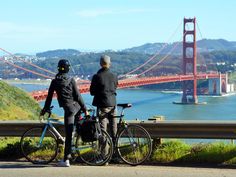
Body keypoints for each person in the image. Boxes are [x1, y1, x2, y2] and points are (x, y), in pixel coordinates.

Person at [40, 59, 88, 167]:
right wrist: (84, 109)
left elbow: (48, 98)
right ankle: (73, 150)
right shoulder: (71, 80)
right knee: (73, 130)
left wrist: (45, 109)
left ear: (58, 68)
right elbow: (78, 96)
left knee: (68, 134)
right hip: (77, 107)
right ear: (67, 69)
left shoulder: (54, 82)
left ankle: (66, 159)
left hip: (69, 110)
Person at [90, 55, 118, 146]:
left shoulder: (97, 76)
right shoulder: (114, 76)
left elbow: (92, 92)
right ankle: (116, 154)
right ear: (110, 63)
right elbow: (115, 88)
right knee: (114, 130)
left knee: (103, 131)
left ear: (100, 64)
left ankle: (104, 156)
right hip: (113, 105)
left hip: (102, 106)